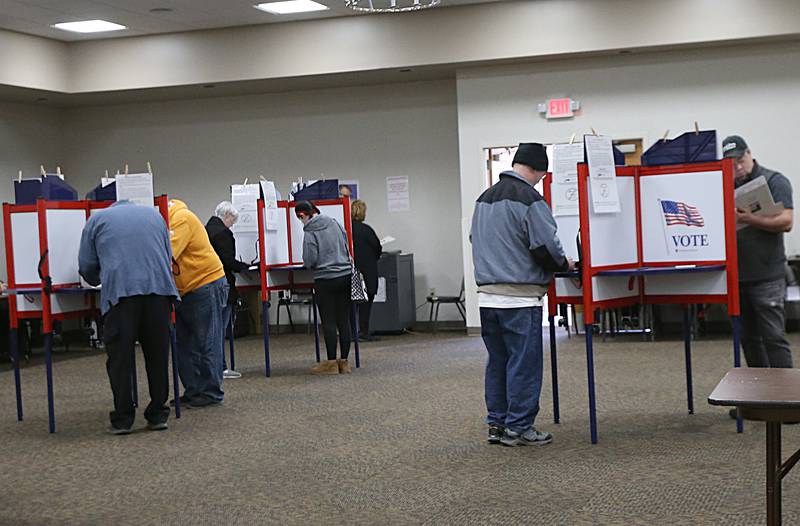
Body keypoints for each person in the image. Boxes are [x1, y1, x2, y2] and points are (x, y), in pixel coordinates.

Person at [470, 142, 572, 447]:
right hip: (520, 298)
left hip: (487, 298)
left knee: (498, 362)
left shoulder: (483, 198)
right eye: (542, 175)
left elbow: (475, 239)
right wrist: (563, 264)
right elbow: (544, 247)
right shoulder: (530, 199)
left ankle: (497, 424)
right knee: (523, 364)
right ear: (538, 169)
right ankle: (519, 427)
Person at [78, 201, 179, 434]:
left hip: (121, 295)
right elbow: (167, 254)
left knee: (120, 359)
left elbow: (86, 266)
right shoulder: (156, 216)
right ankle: (158, 414)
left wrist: (97, 280)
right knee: (157, 356)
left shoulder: (97, 220)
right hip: (159, 292)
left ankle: (123, 419)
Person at [724, 135, 794, 372]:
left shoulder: (774, 181)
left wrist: (747, 218)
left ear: (749, 154)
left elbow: (786, 221)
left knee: (774, 338)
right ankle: (759, 403)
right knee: (749, 340)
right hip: (737, 276)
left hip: (768, 275)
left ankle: (785, 402)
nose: (737, 167)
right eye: (731, 164)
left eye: (740, 160)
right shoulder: (725, 186)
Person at [169, 199, 228, 407]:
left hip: (205, 283)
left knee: (206, 340)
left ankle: (211, 392)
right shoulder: (172, 220)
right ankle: (194, 390)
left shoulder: (180, 218)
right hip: (186, 289)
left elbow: (168, 254)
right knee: (185, 343)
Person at [295, 200, 353, 374]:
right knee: (343, 319)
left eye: (300, 218)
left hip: (325, 279)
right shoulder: (335, 223)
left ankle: (330, 363)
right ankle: (344, 362)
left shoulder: (310, 231)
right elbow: (346, 245)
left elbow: (310, 260)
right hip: (345, 275)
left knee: (328, 320)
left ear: (303, 215)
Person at [206, 201, 249, 379]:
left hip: (208, 284)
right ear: (227, 216)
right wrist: (245, 267)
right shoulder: (223, 233)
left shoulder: (205, 229)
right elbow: (227, 261)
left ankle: (214, 367)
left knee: (211, 328)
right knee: (220, 329)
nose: (233, 223)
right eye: (233, 220)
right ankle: (220, 367)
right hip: (223, 284)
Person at [351, 199, 382, 341]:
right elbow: (377, 248)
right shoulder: (367, 230)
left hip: (351, 272)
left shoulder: (346, 229)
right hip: (367, 271)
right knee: (366, 303)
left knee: (350, 305)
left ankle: (351, 333)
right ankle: (364, 332)